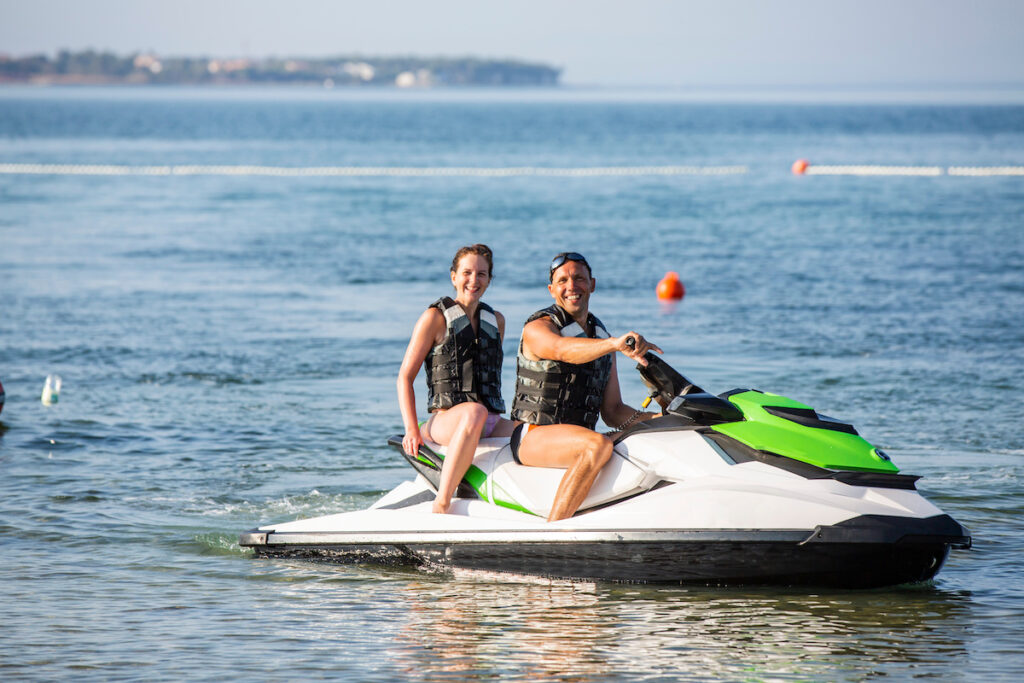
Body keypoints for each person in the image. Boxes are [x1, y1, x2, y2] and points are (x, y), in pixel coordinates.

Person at [510, 252, 663, 522]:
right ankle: (553, 531)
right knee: (597, 445)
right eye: (563, 280)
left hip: (578, 436)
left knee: (642, 441)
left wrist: (663, 420)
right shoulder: (538, 328)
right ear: (551, 289)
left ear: (592, 284)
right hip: (533, 435)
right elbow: (561, 349)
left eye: (579, 278)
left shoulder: (602, 338)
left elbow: (614, 412)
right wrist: (614, 344)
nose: (572, 286)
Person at [397, 244, 518, 514]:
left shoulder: (496, 321)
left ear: (489, 279)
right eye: (467, 273)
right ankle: (442, 502)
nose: (474, 280)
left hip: (489, 421)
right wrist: (411, 429)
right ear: (454, 277)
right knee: (475, 411)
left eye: (481, 274)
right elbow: (405, 377)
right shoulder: (434, 318)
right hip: (445, 421)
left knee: (534, 430)